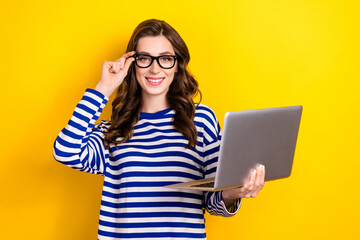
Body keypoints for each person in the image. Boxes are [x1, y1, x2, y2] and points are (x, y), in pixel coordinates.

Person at [53, 18, 265, 240]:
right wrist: (103, 88)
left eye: (165, 59)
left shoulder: (201, 120)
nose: (155, 69)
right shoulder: (114, 130)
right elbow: (65, 151)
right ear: (132, 64)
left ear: (176, 64)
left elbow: (213, 201)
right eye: (145, 59)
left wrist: (234, 192)